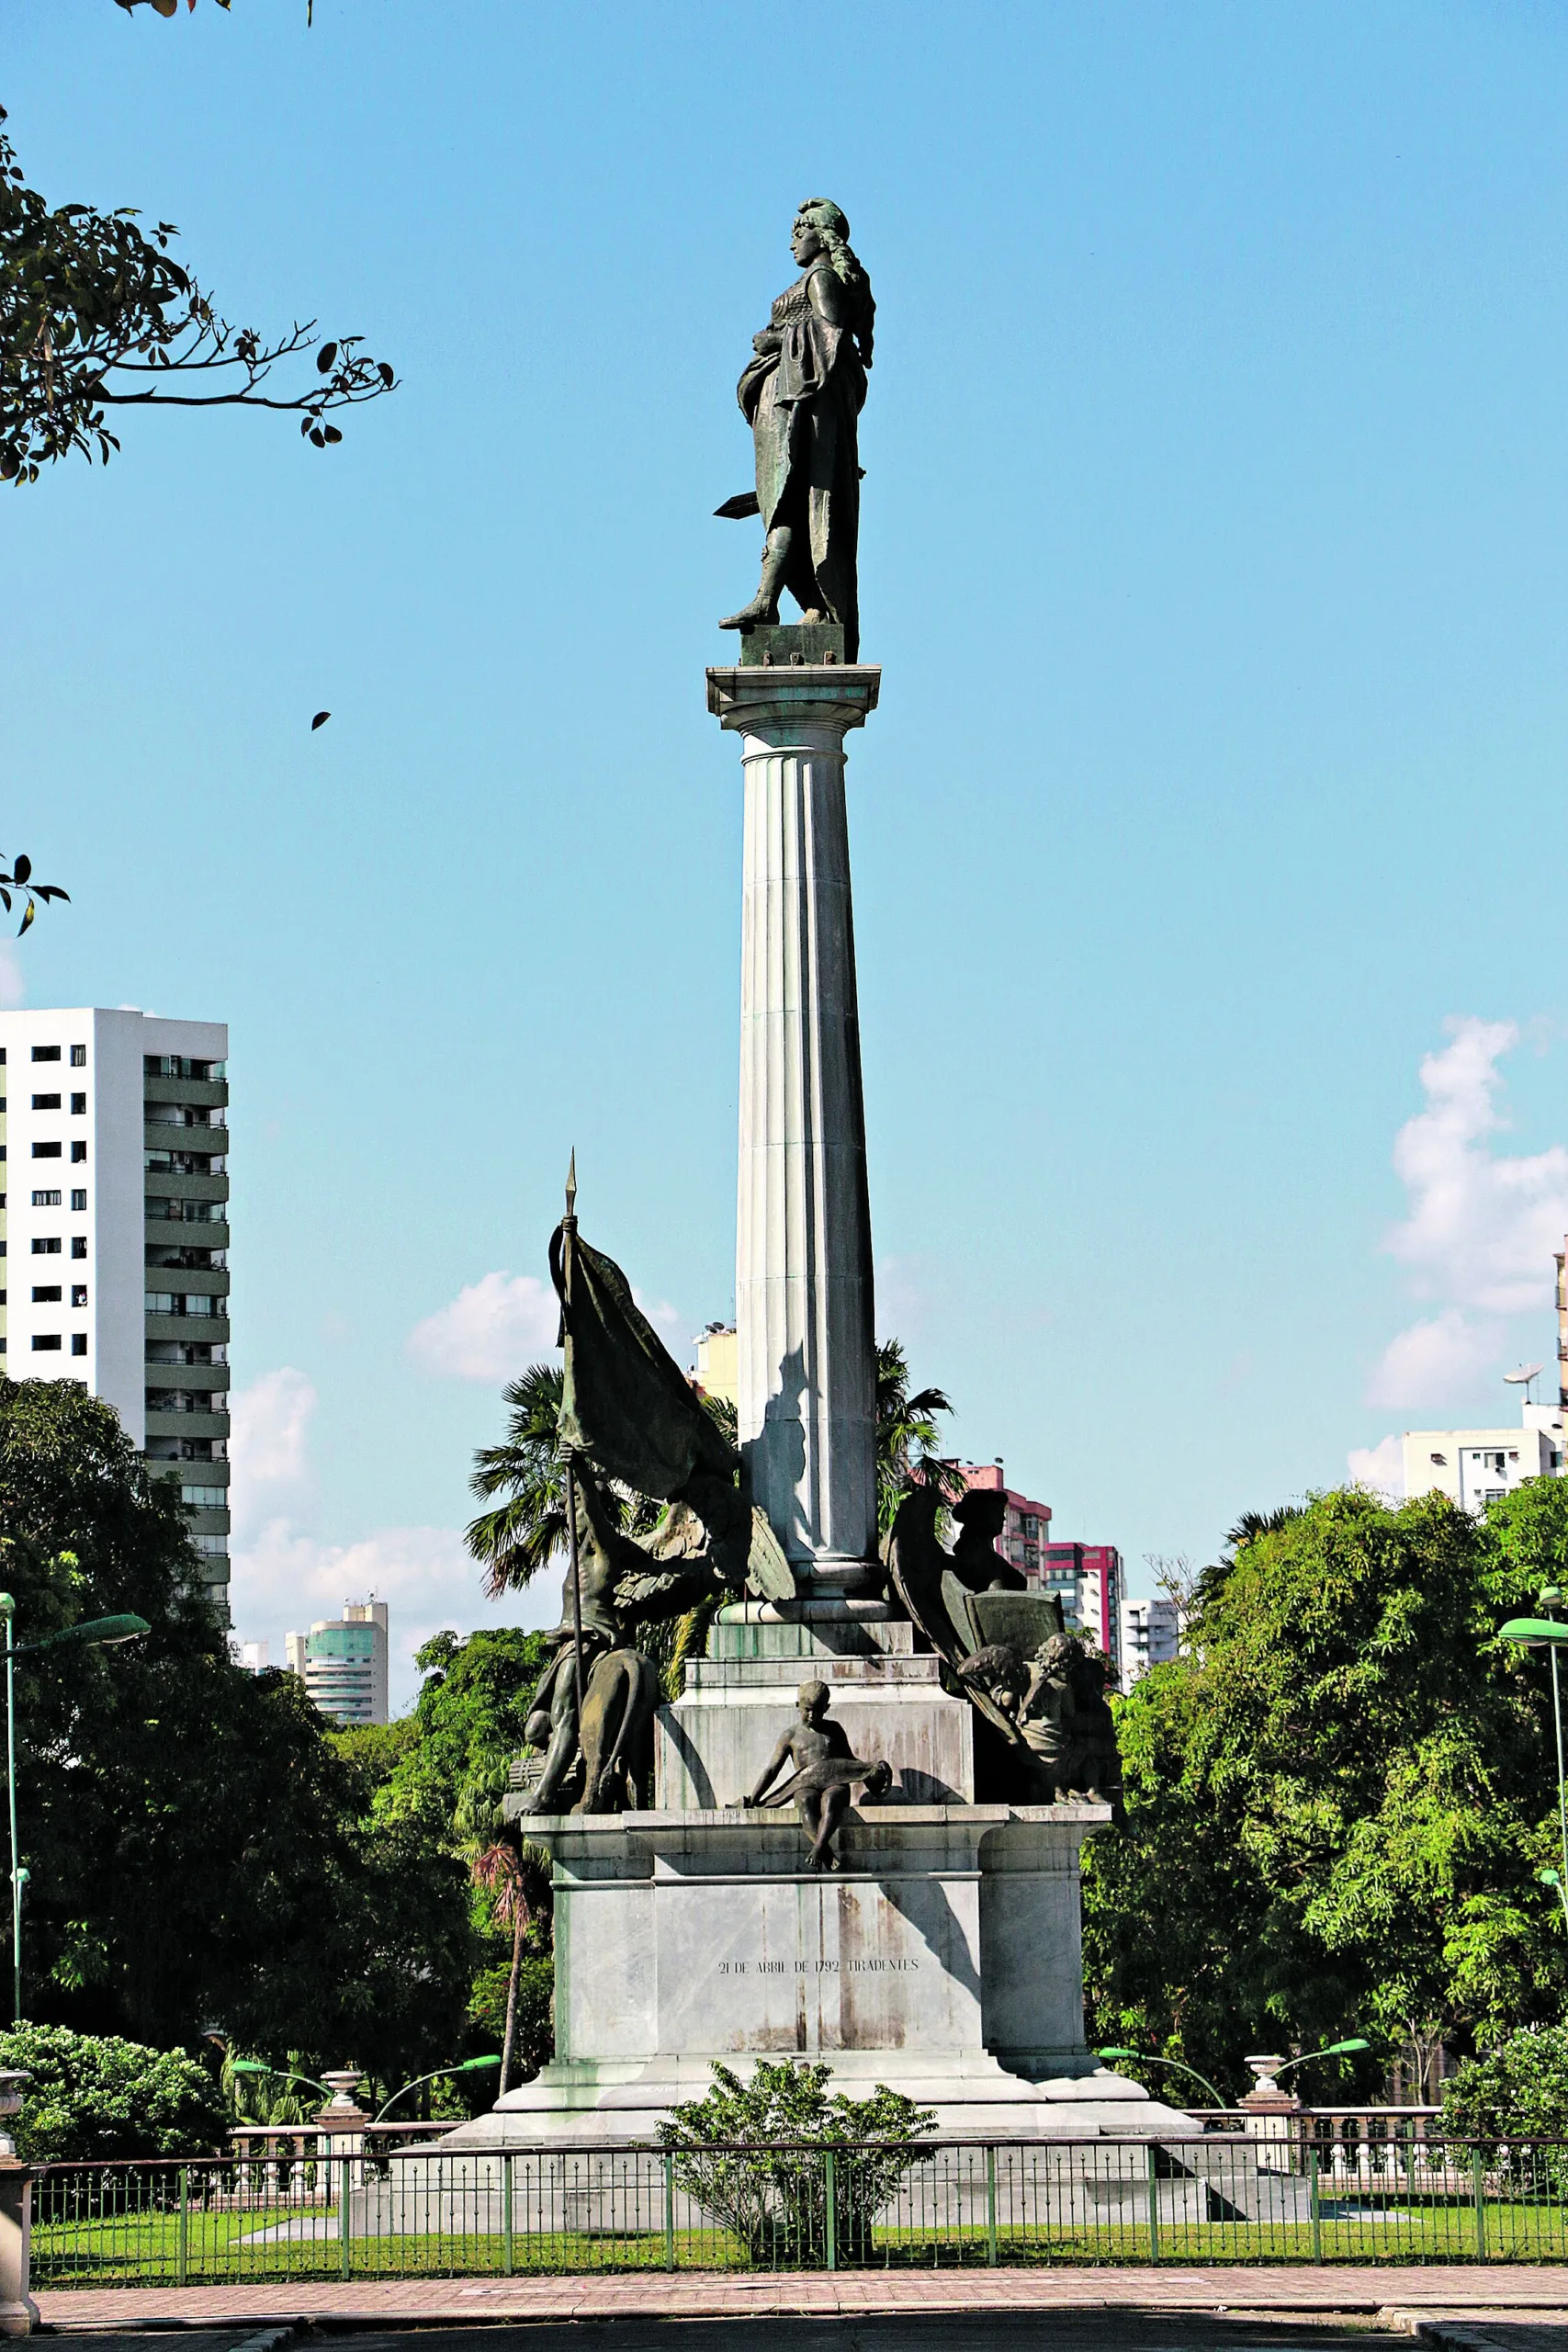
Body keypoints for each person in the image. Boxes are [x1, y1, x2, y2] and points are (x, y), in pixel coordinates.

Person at [719, 201, 874, 660]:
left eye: (800, 230)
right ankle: (783, 602)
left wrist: (776, 341)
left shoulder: (821, 279)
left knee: (787, 501)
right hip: (782, 401)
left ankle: (772, 600)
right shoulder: (809, 279)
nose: (792, 240)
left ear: (822, 237)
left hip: (800, 409)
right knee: (778, 504)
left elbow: (832, 338)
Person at [742, 1679, 891, 1869]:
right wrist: (754, 1798)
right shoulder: (791, 1736)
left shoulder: (834, 1729)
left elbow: (849, 1760)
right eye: (807, 1710)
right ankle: (827, 1853)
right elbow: (772, 1770)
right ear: (798, 1706)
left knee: (832, 1798)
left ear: (827, 1708)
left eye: (818, 1710)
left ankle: (819, 1847)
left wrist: (869, 1770)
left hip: (835, 1783)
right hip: (806, 1786)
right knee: (806, 1801)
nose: (812, 1715)